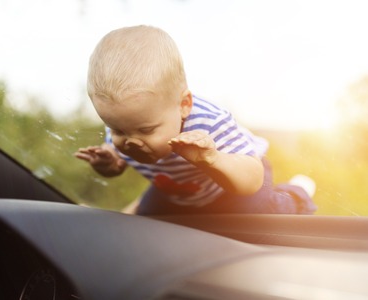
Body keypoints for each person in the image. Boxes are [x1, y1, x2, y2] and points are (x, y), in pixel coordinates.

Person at [75, 25, 317, 215]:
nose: (131, 142)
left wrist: (212, 159)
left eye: (146, 130)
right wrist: (113, 164)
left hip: (235, 174)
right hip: (174, 190)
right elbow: (120, 155)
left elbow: (252, 180)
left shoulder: (210, 123)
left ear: (184, 105)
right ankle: (129, 214)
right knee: (147, 220)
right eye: (116, 129)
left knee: (264, 218)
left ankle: (296, 194)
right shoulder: (125, 125)